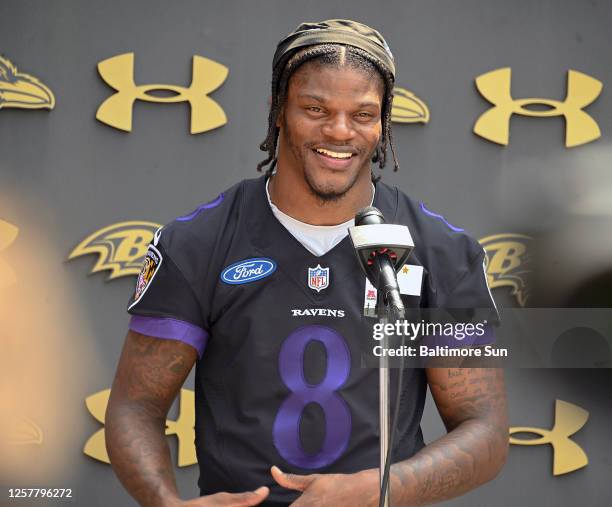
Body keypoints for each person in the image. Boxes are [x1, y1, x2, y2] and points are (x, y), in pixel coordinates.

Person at [106, 19, 508, 507]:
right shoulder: (199, 242)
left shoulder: (441, 251)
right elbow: (135, 407)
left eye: (362, 114)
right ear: (277, 110)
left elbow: (484, 430)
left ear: (383, 122)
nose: (339, 132)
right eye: (315, 109)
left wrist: (381, 490)